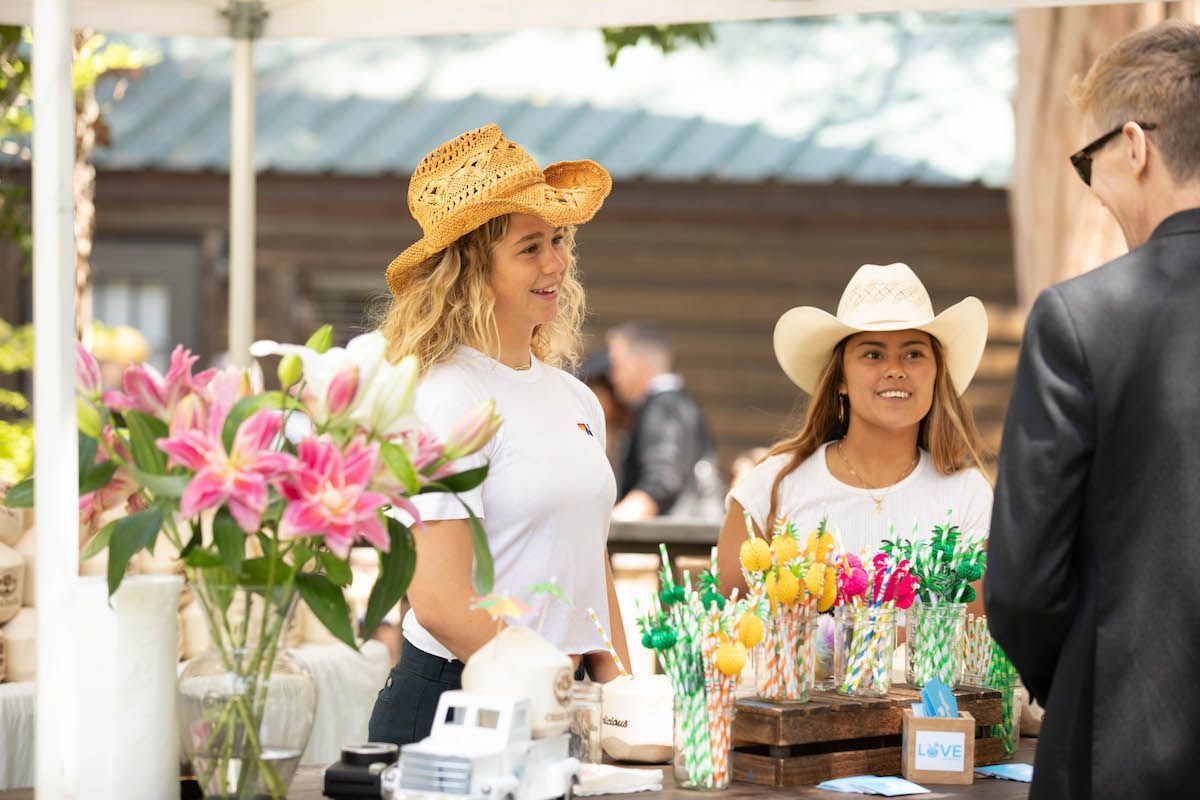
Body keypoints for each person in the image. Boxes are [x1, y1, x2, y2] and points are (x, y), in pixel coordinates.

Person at [986, 22, 1200, 800]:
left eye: (1090, 162)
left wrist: (1080, 680)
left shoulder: (1084, 318)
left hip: (1119, 753)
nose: (1094, 188)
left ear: (1135, 146)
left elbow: (1021, 585)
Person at [367, 124, 630, 747]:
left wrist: (622, 696)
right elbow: (438, 600)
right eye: (530, 247)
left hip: (554, 706)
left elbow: (589, 560)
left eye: (560, 240)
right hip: (453, 705)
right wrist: (553, 693)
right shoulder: (442, 395)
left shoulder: (574, 397)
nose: (557, 264)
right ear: (467, 269)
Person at [716, 263, 993, 598]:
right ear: (841, 379)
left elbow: (979, 639)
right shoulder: (773, 486)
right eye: (873, 354)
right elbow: (725, 625)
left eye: (914, 353)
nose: (895, 370)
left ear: (936, 374)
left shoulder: (967, 496)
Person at [607, 321, 724, 521]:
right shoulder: (677, 403)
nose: (613, 377)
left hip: (668, 540)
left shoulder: (664, 407)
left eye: (617, 365)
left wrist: (613, 523)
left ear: (639, 364)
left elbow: (663, 480)